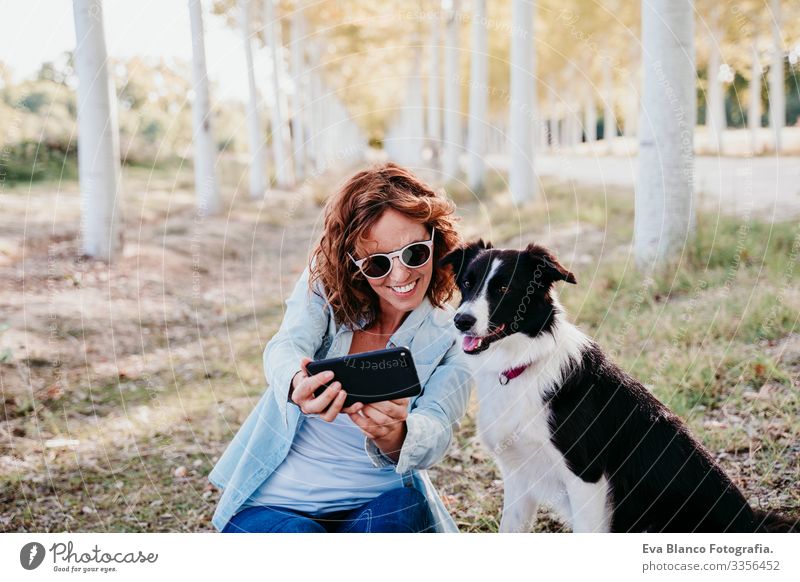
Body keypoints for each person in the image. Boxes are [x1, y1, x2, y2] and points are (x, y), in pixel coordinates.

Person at [208, 162, 474, 532]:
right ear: (353, 265)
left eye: (414, 253)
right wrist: (295, 382)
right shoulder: (324, 286)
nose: (400, 277)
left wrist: (395, 434)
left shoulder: (456, 332)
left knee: (404, 507)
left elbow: (438, 426)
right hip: (276, 505)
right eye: (377, 264)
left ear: (436, 240)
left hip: (378, 505)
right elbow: (286, 344)